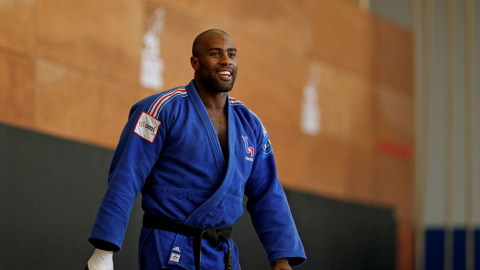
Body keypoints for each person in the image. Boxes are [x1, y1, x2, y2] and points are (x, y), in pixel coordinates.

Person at [85, 29, 306, 270]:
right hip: (170, 246)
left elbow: (268, 193)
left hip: (222, 255)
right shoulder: (160, 110)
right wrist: (103, 251)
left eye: (232, 54)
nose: (226, 61)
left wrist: (282, 259)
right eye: (215, 53)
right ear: (195, 62)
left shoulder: (250, 124)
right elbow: (126, 177)